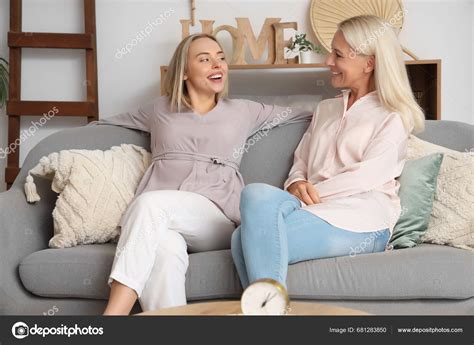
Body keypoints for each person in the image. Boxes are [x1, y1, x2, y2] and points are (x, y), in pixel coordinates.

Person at [91, 33, 312, 315]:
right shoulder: (158, 109)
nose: (217, 65)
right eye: (205, 59)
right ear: (184, 71)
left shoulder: (244, 110)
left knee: (149, 204)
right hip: (161, 222)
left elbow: (305, 115)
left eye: (220, 58)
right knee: (163, 250)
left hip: (215, 218)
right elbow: (102, 126)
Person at [231, 15, 425, 290]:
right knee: (251, 202)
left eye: (338, 54)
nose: (328, 62)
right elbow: (300, 163)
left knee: (243, 237)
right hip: (314, 209)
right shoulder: (325, 109)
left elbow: (364, 178)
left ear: (369, 63)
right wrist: (296, 183)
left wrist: (306, 199)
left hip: (362, 218)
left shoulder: (393, 116)